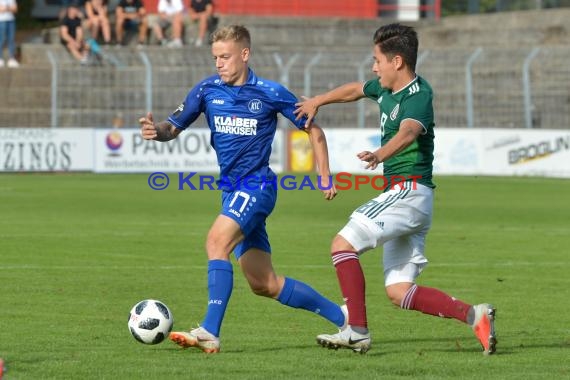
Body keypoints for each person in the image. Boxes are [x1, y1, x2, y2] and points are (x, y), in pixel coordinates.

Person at [138, 24, 346, 354]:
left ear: (244, 55)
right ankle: (345, 318)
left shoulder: (270, 92)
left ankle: (209, 331)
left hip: (258, 186)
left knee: (215, 241)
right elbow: (172, 127)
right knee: (264, 284)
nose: (218, 63)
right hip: (231, 191)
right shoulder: (206, 91)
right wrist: (155, 131)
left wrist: (323, 175)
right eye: (215, 57)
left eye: (224, 56)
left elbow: (314, 132)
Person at [294, 23, 497, 355]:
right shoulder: (384, 89)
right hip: (411, 199)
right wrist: (318, 100)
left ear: (397, 61)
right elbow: (354, 90)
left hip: (409, 191)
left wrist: (379, 154)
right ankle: (475, 315)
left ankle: (356, 330)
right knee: (399, 291)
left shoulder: (420, 94)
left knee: (342, 245)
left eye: (377, 60)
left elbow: (407, 133)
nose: (374, 67)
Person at [0, 0, 19, 68]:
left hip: (11, 20)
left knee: (11, 39)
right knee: (1, 40)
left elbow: (15, 9)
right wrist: (9, 8)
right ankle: (0, 59)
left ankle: (11, 59)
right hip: (1, 20)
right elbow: (1, 9)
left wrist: (6, 8)